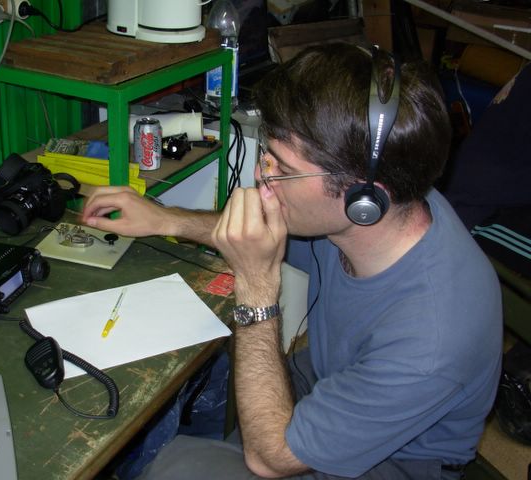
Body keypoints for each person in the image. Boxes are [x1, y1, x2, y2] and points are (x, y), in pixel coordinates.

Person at [82, 43, 502, 479]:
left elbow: (271, 459)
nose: (261, 175)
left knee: (175, 469)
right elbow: (260, 232)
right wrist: (165, 219)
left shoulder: (432, 338)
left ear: (363, 200)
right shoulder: (384, 207)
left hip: (392, 462)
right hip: (325, 376)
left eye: (281, 168)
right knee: (196, 387)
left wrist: (256, 289)